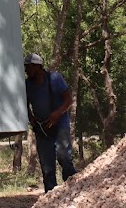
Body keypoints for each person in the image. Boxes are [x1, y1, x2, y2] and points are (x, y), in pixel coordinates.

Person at [24, 53, 78, 191]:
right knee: (47, 166)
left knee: (64, 156)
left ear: (37, 67)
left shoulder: (55, 78)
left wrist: (57, 113)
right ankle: (50, 197)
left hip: (60, 123)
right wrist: (31, 117)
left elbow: (68, 100)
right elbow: (25, 104)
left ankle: (73, 187)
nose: (26, 70)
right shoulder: (27, 85)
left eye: (28, 67)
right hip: (42, 127)